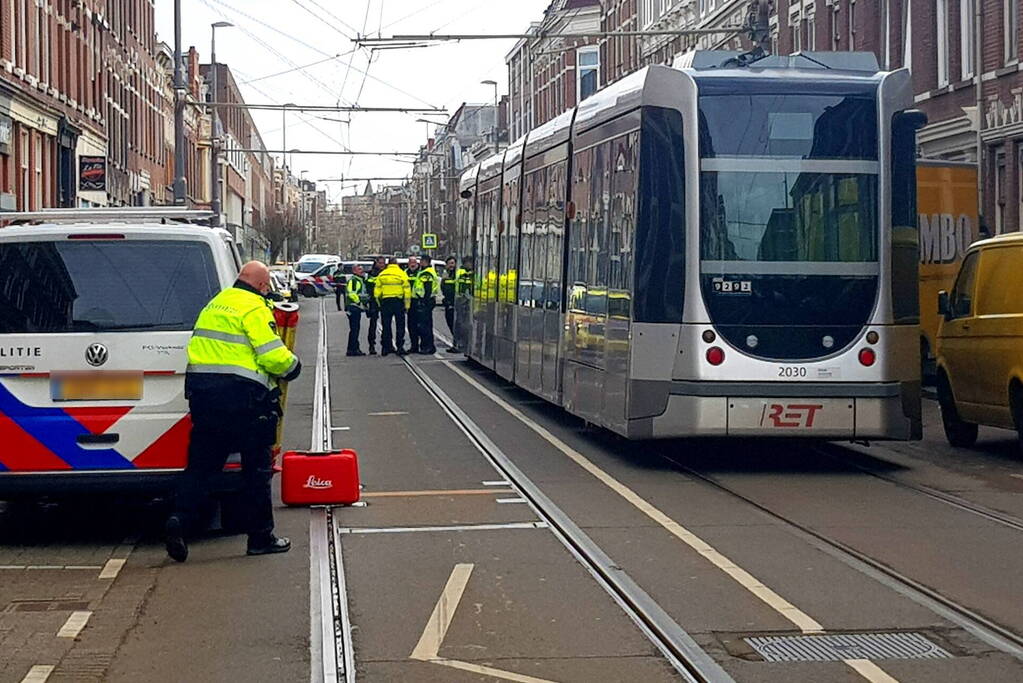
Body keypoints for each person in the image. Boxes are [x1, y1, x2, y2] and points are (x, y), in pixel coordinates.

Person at [165, 261, 301, 562]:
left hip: (204, 398)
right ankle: (260, 537)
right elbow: (272, 355)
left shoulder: (215, 304)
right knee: (256, 470)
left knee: (201, 468)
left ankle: (179, 520)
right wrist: (293, 366)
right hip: (244, 401)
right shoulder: (254, 308)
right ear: (262, 285)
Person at [375, 257, 411, 356]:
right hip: (398, 302)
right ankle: (400, 347)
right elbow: (407, 291)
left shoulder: (382, 274)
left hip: (386, 302)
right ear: (397, 264)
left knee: (386, 325)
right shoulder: (402, 274)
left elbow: (377, 292)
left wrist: (379, 303)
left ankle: (386, 347)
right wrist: (407, 305)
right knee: (400, 325)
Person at [408, 256, 438, 355]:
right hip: (423, 301)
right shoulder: (424, 271)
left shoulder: (426, 273)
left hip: (424, 302)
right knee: (424, 325)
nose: (420, 262)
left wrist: (424, 301)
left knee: (424, 326)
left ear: (425, 262)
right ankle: (428, 346)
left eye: (421, 261)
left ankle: (427, 347)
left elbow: (427, 288)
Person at [364, 256, 386, 355]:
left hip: (384, 300)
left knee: (386, 323)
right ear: (376, 263)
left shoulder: (386, 272)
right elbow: (368, 287)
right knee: (373, 324)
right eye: (380, 263)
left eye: (383, 263)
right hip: (374, 301)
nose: (382, 265)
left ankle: (386, 344)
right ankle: (371, 345)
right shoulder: (371, 274)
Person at [345, 264, 368, 357]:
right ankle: (353, 349)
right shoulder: (354, 280)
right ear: (354, 271)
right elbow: (351, 293)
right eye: (359, 269)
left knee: (355, 329)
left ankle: (353, 348)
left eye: (362, 269)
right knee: (354, 329)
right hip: (353, 307)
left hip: (356, 307)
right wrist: (358, 302)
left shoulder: (360, 280)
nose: (361, 271)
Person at [440, 256, 458, 349]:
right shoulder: (446, 275)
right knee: (450, 323)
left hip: (456, 304)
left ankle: (457, 344)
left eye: (452, 263)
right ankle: (455, 344)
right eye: (449, 263)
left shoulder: (457, 275)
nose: (451, 265)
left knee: (456, 326)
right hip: (448, 303)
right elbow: (443, 287)